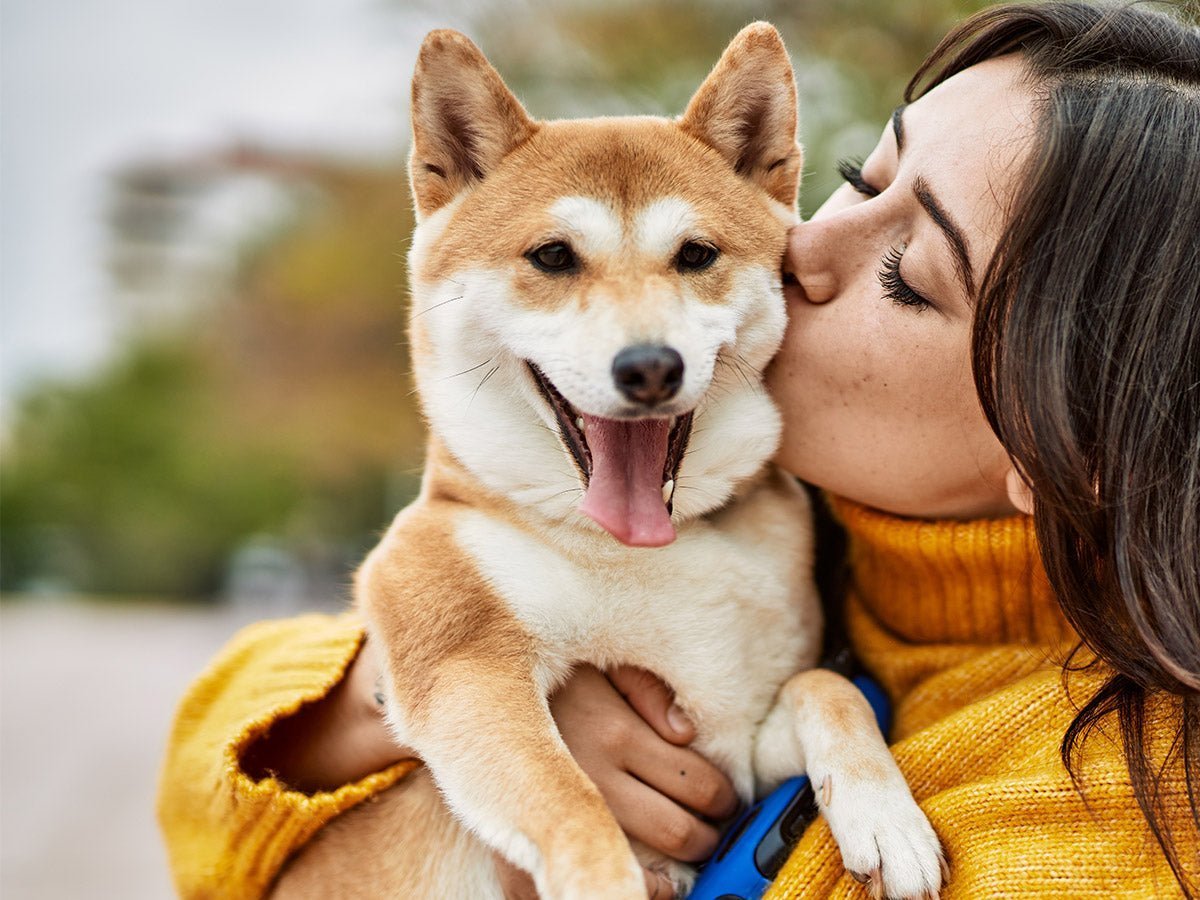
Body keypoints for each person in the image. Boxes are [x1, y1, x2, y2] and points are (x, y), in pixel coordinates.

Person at [157, 2, 1200, 897]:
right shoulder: (778, 506)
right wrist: (386, 694)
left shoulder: (1107, 825)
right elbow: (196, 777)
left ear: (1075, 441)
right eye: (856, 177)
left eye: (910, 275)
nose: (798, 246)